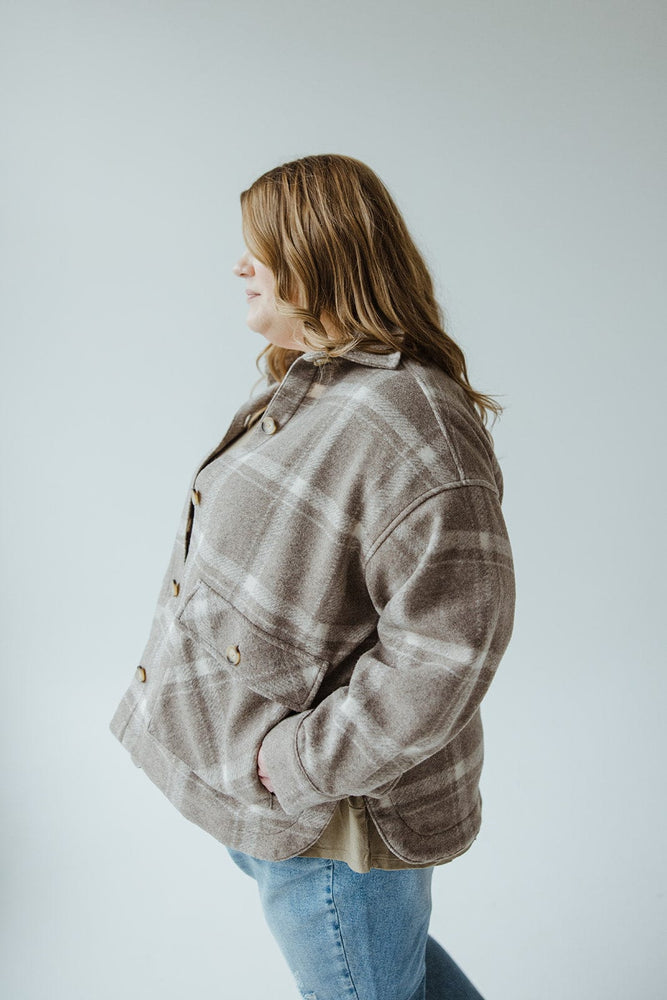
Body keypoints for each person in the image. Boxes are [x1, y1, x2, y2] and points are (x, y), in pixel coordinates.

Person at [109, 153, 516, 1000]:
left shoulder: (412, 423)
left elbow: (448, 649)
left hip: (334, 821)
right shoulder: (317, 390)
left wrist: (296, 764)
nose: (239, 266)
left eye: (257, 248)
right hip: (270, 799)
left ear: (319, 254)